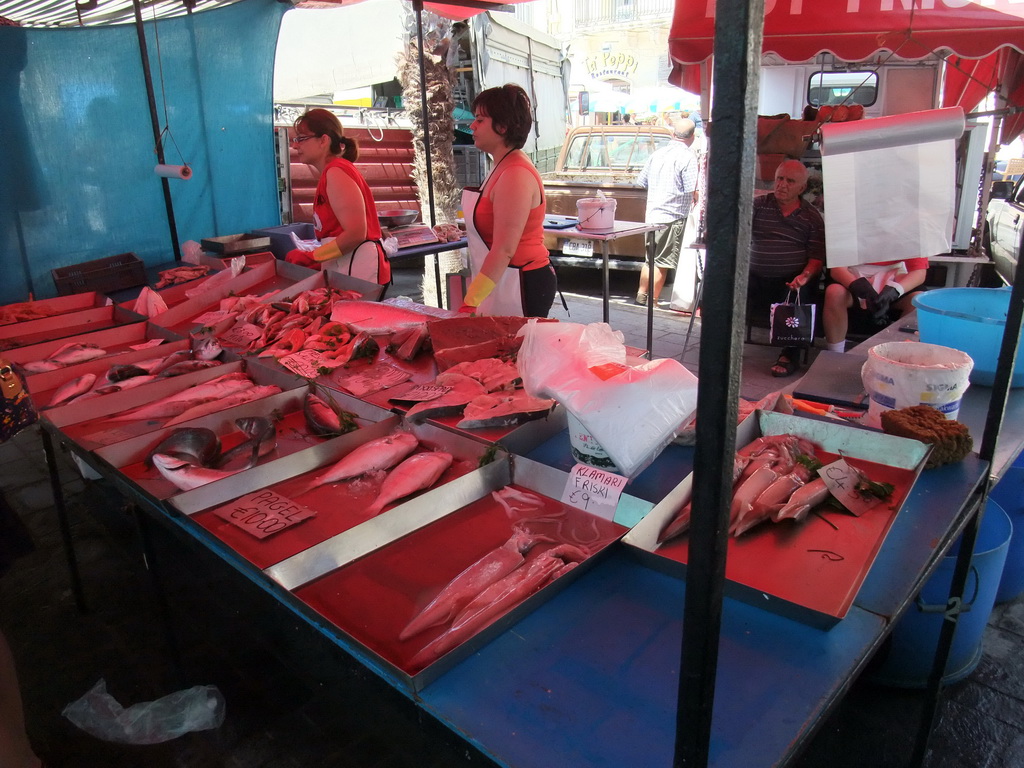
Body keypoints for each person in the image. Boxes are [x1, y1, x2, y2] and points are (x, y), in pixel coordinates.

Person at [459, 84, 556, 317]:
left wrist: (470, 302)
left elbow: (504, 249)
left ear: (502, 127)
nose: (472, 126)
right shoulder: (500, 165)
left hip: (521, 280)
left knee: (516, 352)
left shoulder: (515, 173)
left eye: (480, 120)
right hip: (502, 278)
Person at [284, 109, 390, 286]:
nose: (295, 146)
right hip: (347, 269)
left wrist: (313, 256)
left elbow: (356, 233)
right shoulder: (332, 171)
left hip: (359, 272)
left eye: (301, 139)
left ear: (323, 140)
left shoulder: (336, 172)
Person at [748, 159, 826, 377]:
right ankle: (721, 342)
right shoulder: (759, 205)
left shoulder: (810, 217)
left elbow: (816, 257)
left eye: (790, 181)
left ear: (802, 188)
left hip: (789, 279)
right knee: (724, 285)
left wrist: (804, 275)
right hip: (755, 275)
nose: (782, 184)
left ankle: (789, 354)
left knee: (804, 290)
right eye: (779, 179)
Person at [634, 117, 699, 307]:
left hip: (652, 214)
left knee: (649, 259)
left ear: (673, 133)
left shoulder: (658, 154)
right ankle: (652, 302)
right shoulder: (688, 157)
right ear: (692, 136)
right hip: (672, 216)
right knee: (662, 261)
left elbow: (641, 182)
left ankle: (641, 295)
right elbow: (691, 190)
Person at [823, 258, 929, 352]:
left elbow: (919, 272)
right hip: (853, 273)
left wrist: (896, 290)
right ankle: (835, 352)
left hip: (896, 275)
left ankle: (897, 353)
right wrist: (855, 284)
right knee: (834, 293)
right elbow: (836, 269)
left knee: (918, 300)